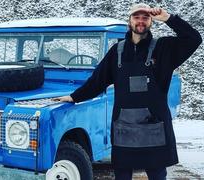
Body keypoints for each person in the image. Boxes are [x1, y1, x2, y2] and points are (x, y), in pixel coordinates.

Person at [54, 3, 202, 180]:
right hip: (124, 130)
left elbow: (194, 39)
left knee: (157, 175)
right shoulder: (117, 51)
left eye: (145, 17)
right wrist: (74, 96)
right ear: (129, 20)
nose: (141, 21)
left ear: (151, 22)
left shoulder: (164, 48)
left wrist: (168, 18)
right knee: (122, 175)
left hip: (155, 130)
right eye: (136, 17)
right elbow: (97, 81)